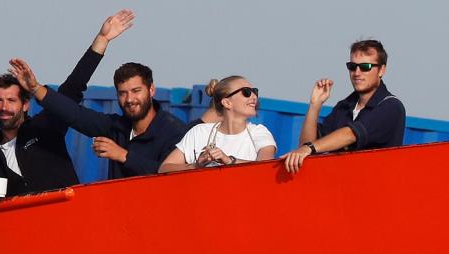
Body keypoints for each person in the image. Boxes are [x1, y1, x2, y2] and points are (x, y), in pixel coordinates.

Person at [0, 9, 135, 205]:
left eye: (11, 100)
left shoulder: (46, 127)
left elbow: (73, 87)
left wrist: (101, 40)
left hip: (70, 222)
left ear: (25, 104)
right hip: (28, 232)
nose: (4, 107)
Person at [9, 45, 185, 180]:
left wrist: (123, 155)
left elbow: (171, 174)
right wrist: (35, 88)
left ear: (151, 90)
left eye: (136, 91)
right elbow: (74, 114)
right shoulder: (116, 126)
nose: (130, 99)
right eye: (123, 93)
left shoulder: (174, 131)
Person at [284, 39, 405, 174]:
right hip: (341, 189)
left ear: (381, 70)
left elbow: (351, 134)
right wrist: (315, 105)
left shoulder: (391, 107)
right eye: (352, 66)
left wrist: (309, 148)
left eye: (365, 67)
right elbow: (307, 146)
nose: (357, 72)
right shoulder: (343, 107)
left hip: (373, 191)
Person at [159, 76, 276, 172]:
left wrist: (229, 161)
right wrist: (196, 165)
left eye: (255, 92)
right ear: (227, 102)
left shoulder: (260, 132)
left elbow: (265, 168)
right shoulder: (199, 132)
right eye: (246, 92)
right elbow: (164, 168)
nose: (254, 96)